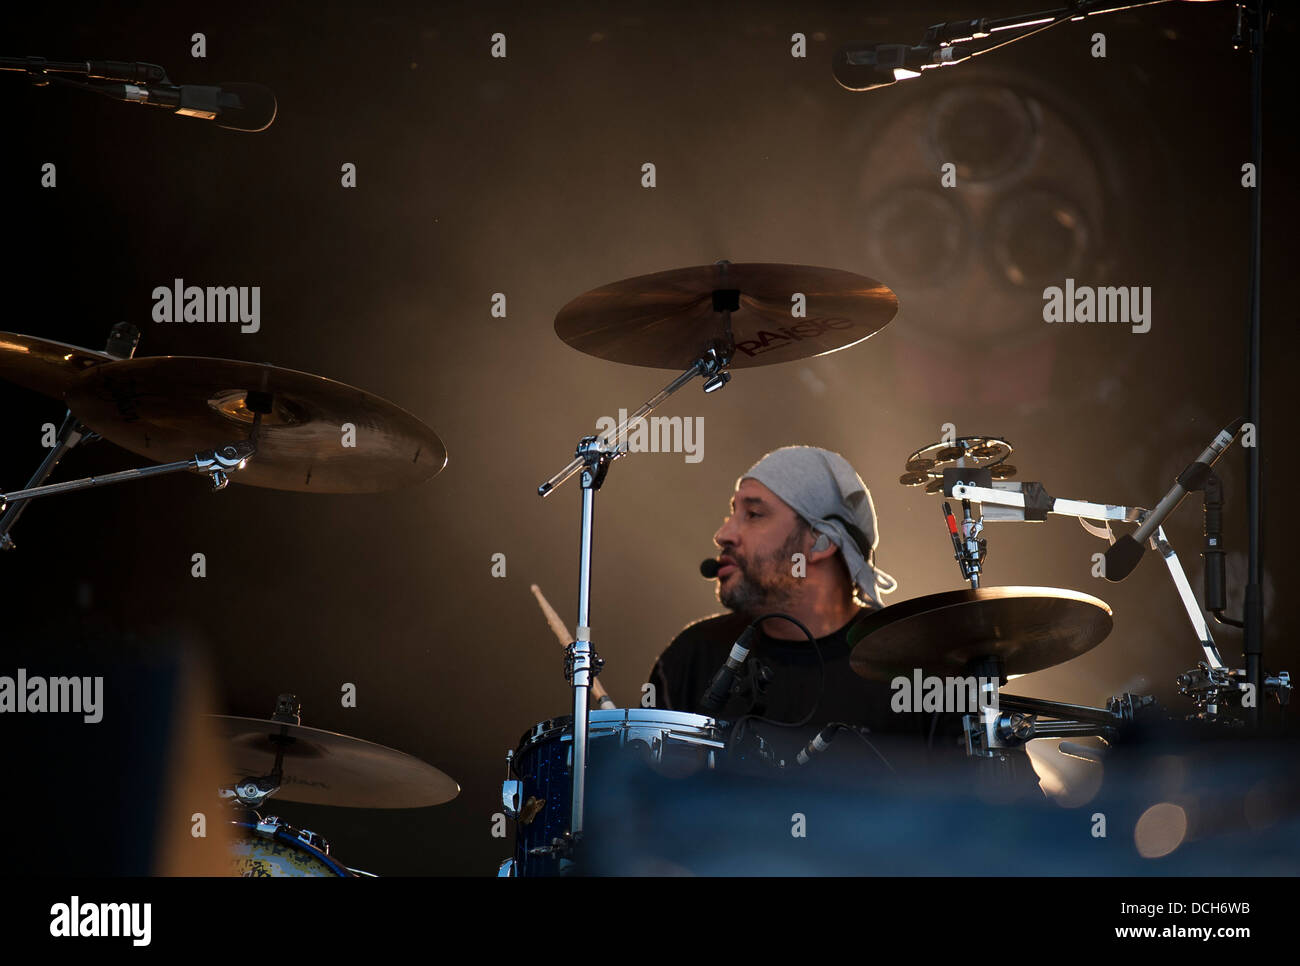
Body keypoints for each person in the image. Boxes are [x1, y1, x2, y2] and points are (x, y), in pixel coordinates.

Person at [647, 445, 963, 771]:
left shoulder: (923, 668)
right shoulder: (692, 656)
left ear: (820, 541)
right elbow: (640, 802)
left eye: (753, 514)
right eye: (733, 513)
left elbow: (991, 810)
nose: (723, 534)